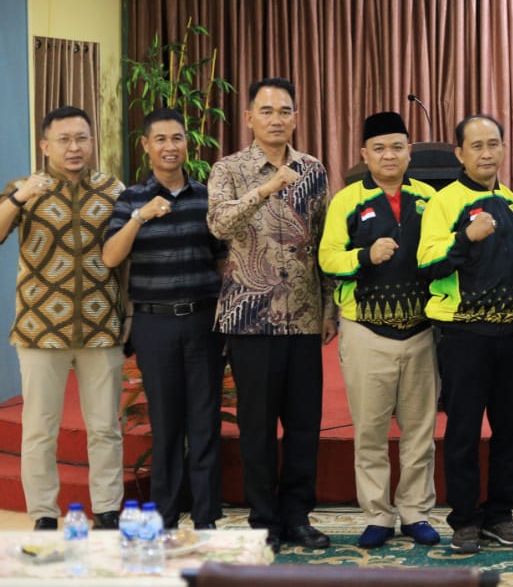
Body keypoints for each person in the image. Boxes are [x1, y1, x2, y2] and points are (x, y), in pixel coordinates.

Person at [207, 77, 337, 552]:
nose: (276, 119)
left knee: (303, 426)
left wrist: (329, 307)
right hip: (251, 319)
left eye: (284, 111)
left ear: (296, 118)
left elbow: (324, 241)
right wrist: (265, 189)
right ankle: (264, 521)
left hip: (303, 317)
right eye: (266, 111)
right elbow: (219, 224)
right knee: (258, 429)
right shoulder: (228, 169)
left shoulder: (313, 169)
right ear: (249, 118)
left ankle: (298, 516)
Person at [417, 114, 513, 554]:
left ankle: (500, 516)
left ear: (504, 148)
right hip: (463, 334)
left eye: (494, 144)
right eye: (477, 146)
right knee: (464, 431)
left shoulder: (511, 201)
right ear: (460, 153)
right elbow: (428, 266)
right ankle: (465, 520)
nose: (487, 153)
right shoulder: (444, 202)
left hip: (510, 334)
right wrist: (465, 237)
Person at [103, 108, 229, 530]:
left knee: (205, 422)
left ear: (187, 143)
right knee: (166, 423)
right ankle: (166, 519)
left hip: (202, 322)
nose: (170, 147)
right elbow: (110, 257)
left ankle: (207, 519)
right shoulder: (131, 199)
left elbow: (222, 260)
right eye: (160, 139)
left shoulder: (206, 197)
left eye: (177, 138)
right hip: (154, 326)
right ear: (146, 145)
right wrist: (139, 218)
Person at [0, 106, 125, 531]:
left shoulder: (112, 190)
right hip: (39, 329)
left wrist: (127, 313)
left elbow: (126, 257)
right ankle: (43, 515)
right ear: (45, 145)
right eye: (64, 140)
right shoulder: (23, 188)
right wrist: (18, 198)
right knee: (40, 428)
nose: (74, 147)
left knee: (105, 427)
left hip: (101, 324)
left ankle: (107, 510)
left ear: (92, 141)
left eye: (81, 138)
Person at [319, 112, 440, 549]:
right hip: (366, 332)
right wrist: (364, 256)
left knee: (419, 432)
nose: (389, 155)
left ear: (409, 151)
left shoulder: (429, 197)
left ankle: (415, 511)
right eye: (379, 148)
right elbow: (327, 258)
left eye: (397, 147)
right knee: (370, 432)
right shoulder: (347, 200)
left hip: (421, 331)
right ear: (364, 155)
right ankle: (376, 515)